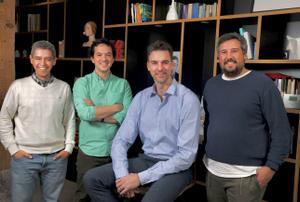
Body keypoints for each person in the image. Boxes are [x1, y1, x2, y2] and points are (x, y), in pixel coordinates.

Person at [83, 40, 201, 202]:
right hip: (146, 160)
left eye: (165, 62)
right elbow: (121, 140)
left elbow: (186, 156)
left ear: (172, 65)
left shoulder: (188, 100)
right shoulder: (141, 98)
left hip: (177, 168)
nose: (160, 68)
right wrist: (122, 176)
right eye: (154, 63)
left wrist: (139, 178)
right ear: (148, 66)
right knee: (91, 179)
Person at [202, 32, 292, 202]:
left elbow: (282, 131)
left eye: (234, 51)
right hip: (213, 173)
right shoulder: (211, 85)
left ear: (244, 54)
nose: (228, 56)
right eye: (223, 52)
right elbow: (208, 123)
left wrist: (270, 168)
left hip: (247, 178)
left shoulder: (263, 84)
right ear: (218, 57)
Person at [0, 40, 76, 202]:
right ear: (31, 59)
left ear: (54, 61)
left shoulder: (64, 88)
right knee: (21, 200)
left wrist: (68, 147)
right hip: (25, 156)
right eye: (38, 58)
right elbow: (4, 117)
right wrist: (13, 148)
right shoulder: (18, 87)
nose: (43, 63)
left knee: (52, 200)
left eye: (48, 59)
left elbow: (69, 119)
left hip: (57, 157)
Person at [73, 38, 132, 202]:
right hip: (89, 152)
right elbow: (85, 114)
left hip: (116, 152)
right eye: (99, 55)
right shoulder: (82, 84)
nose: (104, 59)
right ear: (92, 58)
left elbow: (127, 118)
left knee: (113, 196)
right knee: (83, 196)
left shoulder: (123, 85)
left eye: (108, 55)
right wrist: (116, 107)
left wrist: (96, 112)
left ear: (113, 58)